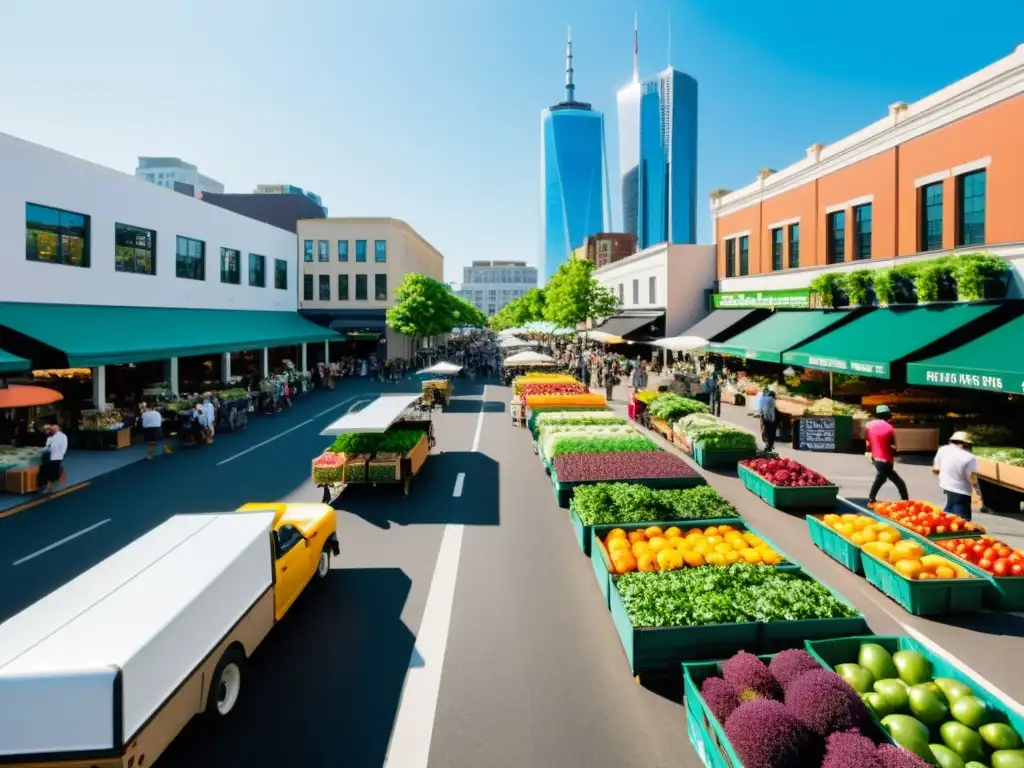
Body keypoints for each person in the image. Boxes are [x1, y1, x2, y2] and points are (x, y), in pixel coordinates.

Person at [932, 431, 981, 521]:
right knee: (962, 519)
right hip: (962, 491)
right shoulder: (969, 457)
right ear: (963, 444)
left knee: (948, 513)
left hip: (946, 486)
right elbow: (972, 476)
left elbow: (935, 469)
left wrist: (948, 474)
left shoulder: (942, 450)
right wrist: (978, 492)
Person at [865, 405, 909, 504]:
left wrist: (869, 453)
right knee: (890, 480)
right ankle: (905, 500)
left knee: (883, 478)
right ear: (888, 414)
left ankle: (904, 499)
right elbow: (892, 446)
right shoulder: (889, 427)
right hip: (885, 460)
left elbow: (868, 442)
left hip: (875, 458)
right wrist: (896, 456)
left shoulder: (869, 425)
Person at [40, 422, 68, 494]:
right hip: (51, 456)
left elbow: (63, 447)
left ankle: (55, 486)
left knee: (54, 472)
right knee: (49, 471)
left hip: (57, 457)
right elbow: (48, 446)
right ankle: (49, 487)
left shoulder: (62, 436)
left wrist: (60, 455)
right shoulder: (52, 437)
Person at [758, 387, 777, 452]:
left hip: (765, 419)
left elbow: (761, 410)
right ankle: (769, 446)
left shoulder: (763, 400)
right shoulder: (773, 401)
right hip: (771, 420)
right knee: (771, 433)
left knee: (766, 431)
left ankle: (768, 445)